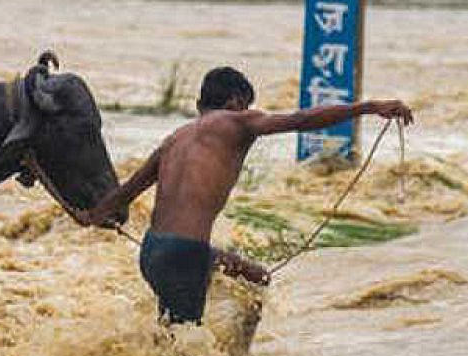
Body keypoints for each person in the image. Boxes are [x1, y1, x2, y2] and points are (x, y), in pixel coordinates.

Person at [77, 67, 413, 326]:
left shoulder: (175, 138)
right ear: (237, 102)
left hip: (152, 252)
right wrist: (369, 107)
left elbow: (126, 192)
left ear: (198, 105)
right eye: (247, 106)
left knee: (255, 278)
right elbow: (301, 119)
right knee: (180, 348)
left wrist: (92, 216)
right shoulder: (237, 121)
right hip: (185, 253)